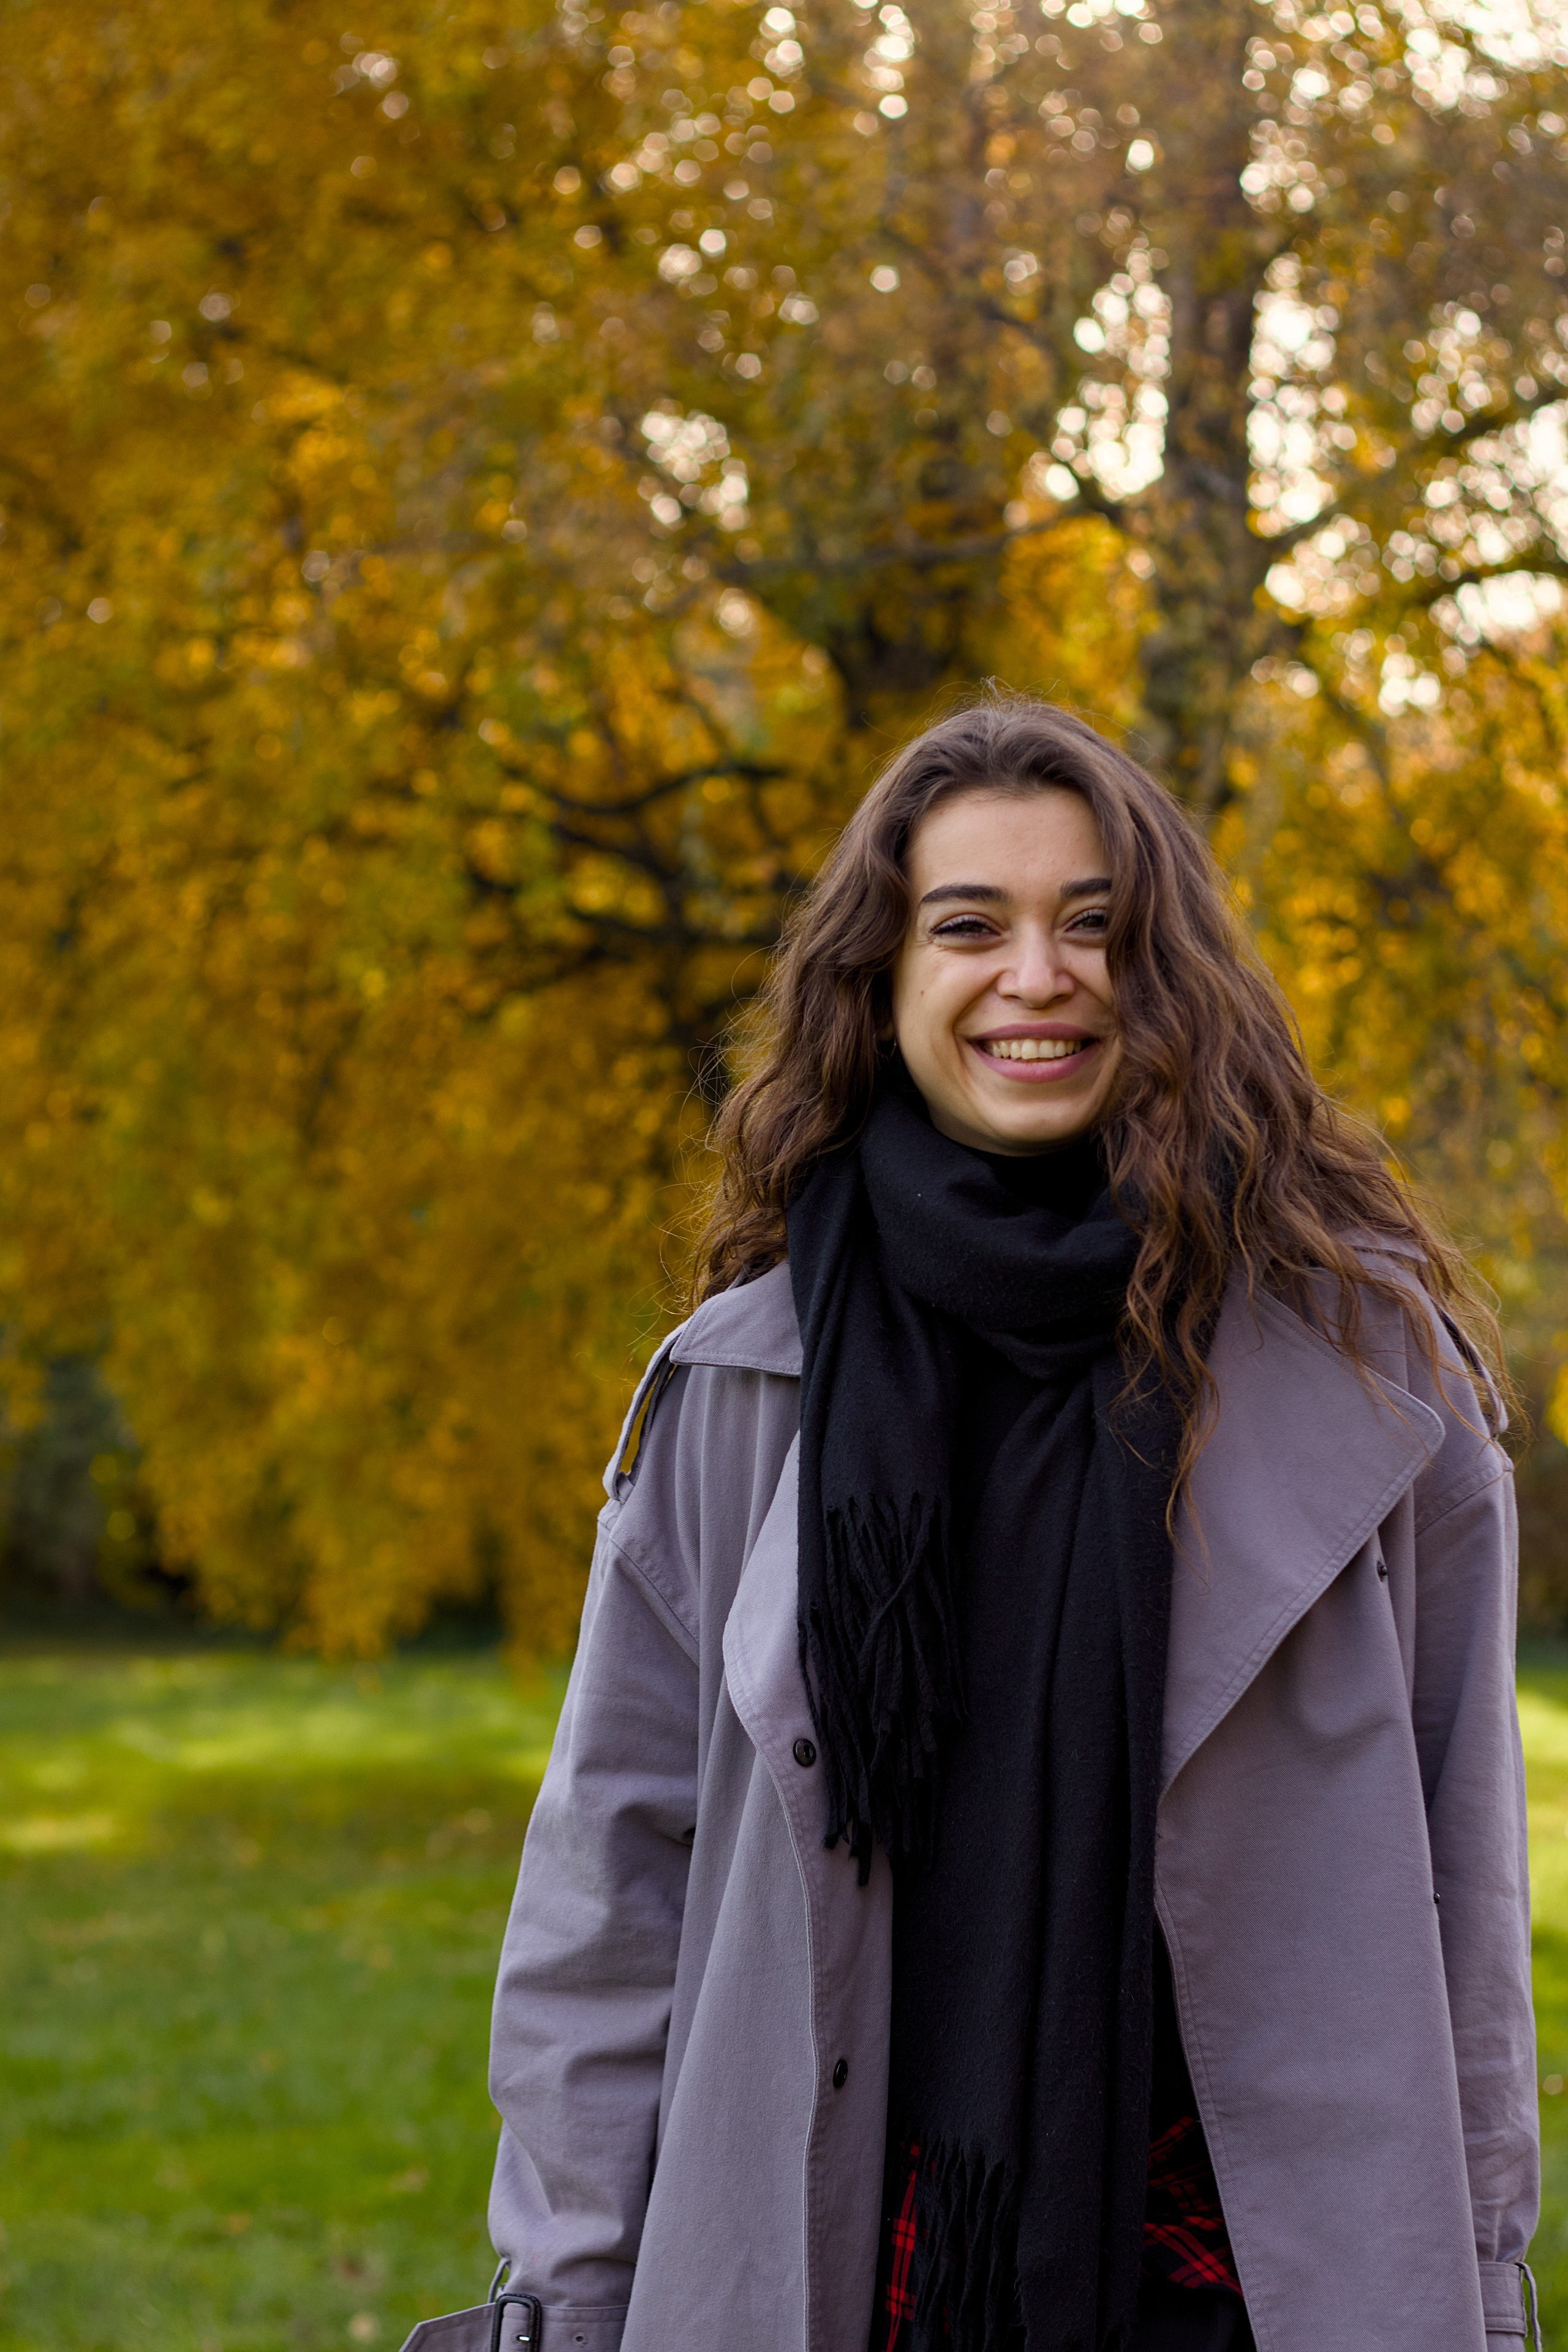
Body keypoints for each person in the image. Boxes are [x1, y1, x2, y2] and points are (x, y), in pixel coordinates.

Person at [470, 698, 1540, 2352]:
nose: (1038, 977)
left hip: (1254, 2284)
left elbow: (1470, 1907)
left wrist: (1477, 2289)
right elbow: (610, 1902)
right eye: (969, 926)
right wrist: (567, 2301)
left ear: (1170, 973)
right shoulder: (742, 1389)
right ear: (882, 979)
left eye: (1095, 926)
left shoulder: (1374, 1381)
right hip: (838, 2269)